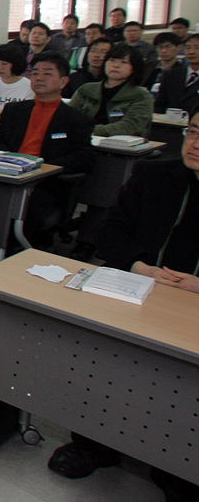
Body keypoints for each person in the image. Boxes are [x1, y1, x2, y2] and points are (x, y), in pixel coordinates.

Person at [43, 113, 199, 502]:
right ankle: (94, 443)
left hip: (193, 303)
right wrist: (139, 265)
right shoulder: (154, 176)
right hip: (137, 287)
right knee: (103, 354)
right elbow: (109, 233)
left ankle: (180, 464)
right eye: (193, 132)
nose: (195, 143)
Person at [0, 52, 94, 249]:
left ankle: (13, 251)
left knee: (30, 209)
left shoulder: (76, 119)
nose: (39, 78)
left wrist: (41, 167)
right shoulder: (14, 110)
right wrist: (7, 159)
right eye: (35, 73)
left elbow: (82, 157)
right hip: (4, 175)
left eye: (47, 73)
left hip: (44, 183)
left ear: (63, 81)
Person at [69, 43, 154, 138]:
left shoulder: (141, 95)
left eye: (124, 62)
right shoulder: (86, 89)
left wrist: (91, 130)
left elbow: (130, 125)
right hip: (82, 139)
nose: (116, 65)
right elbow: (68, 115)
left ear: (134, 68)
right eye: (112, 60)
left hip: (119, 146)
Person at [0, 43, 32, 115]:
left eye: (5, 64)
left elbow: (27, 113)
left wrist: (1, 113)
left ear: (16, 64)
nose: (0, 67)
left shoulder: (28, 86)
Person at [155, 34, 199, 115]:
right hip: (169, 123)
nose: (191, 52)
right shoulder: (171, 74)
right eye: (188, 48)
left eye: (197, 48)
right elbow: (160, 105)